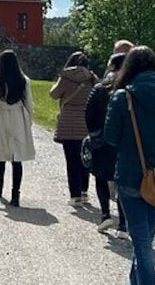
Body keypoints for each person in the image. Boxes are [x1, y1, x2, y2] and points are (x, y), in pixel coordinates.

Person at [104, 46, 155, 285]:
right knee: (144, 241)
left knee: (141, 244)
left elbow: (111, 137)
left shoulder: (124, 97)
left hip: (130, 175)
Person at [0, 49, 36, 207]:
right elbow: (29, 102)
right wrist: (29, 120)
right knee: (16, 158)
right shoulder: (24, 80)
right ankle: (15, 194)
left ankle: (0, 187)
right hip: (17, 117)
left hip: (1, 117)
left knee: (1, 155)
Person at [84, 52, 128, 236]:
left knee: (101, 177)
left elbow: (88, 112)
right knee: (121, 182)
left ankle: (105, 215)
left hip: (102, 141)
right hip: (123, 142)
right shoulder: (130, 89)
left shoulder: (101, 87)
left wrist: (94, 133)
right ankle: (123, 225)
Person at [50, 51, 97, 205]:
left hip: (69, 122)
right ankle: (84, 191)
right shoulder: (92, 78)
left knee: (72, 161)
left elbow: (54, 94)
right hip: (86, 122)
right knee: (85, 158)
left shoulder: (66, 77)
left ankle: (75, 195)